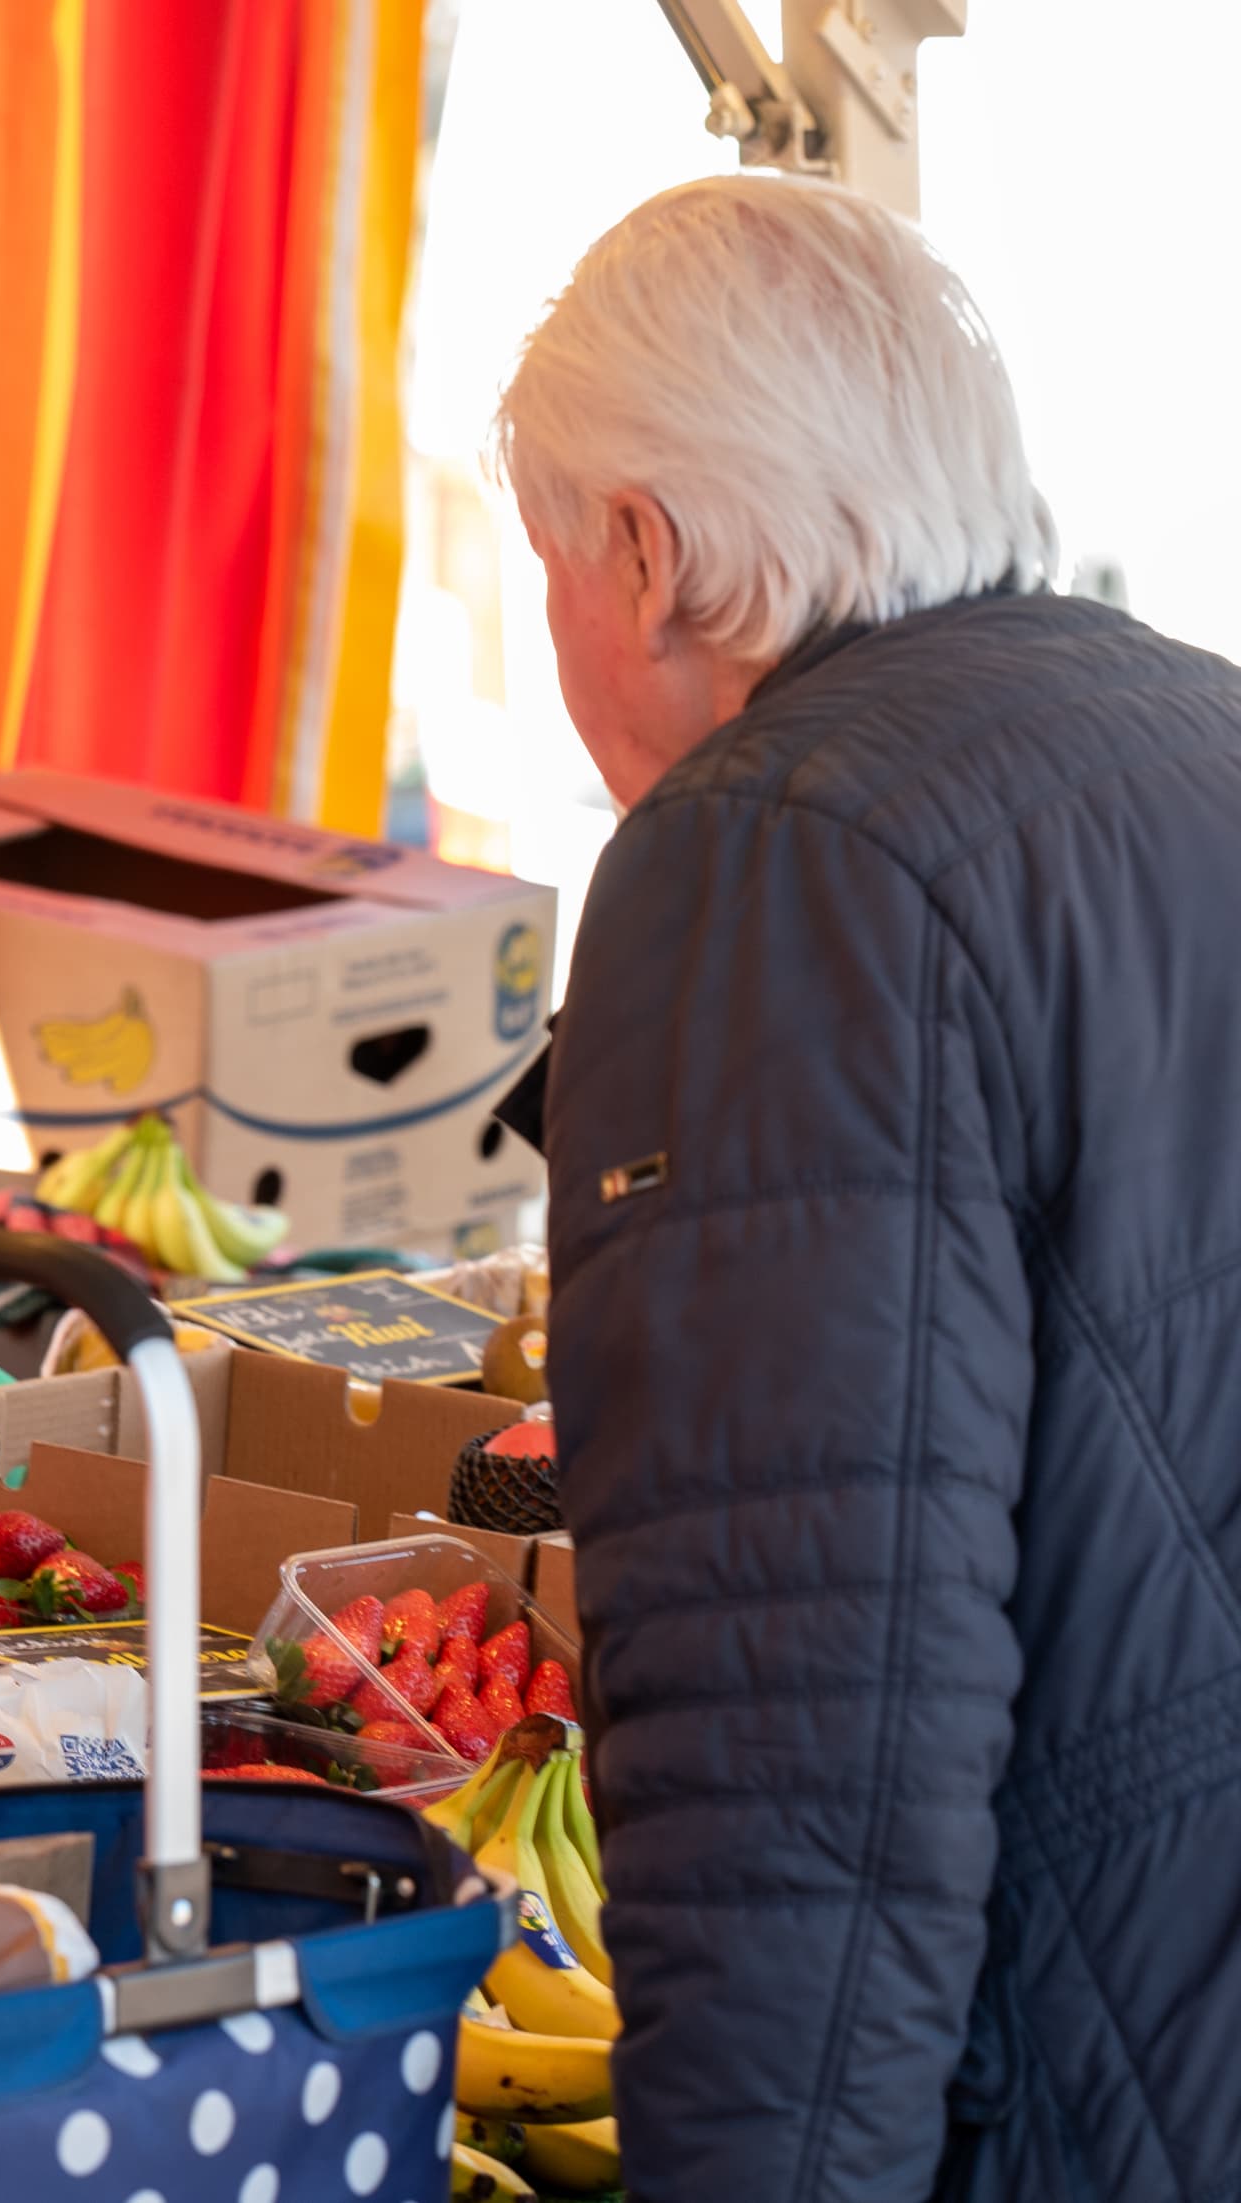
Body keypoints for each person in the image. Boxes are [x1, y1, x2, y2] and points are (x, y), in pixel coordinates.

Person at [506, 173, 1241, 2201]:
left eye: (549, 569)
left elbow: (798, 1726)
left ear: (644, 553)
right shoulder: (1202, 731)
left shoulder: (775, 852)